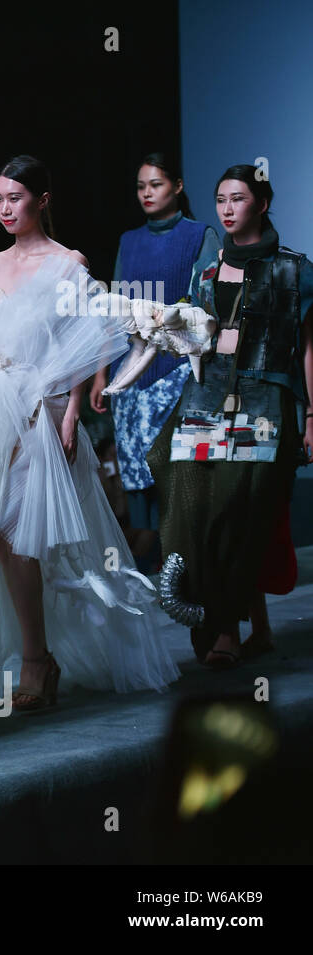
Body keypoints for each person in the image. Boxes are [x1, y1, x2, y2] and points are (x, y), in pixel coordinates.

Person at [0, 156, 179, 709]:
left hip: (42, 406)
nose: (5, 209)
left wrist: (74, 409)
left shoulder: (68, 263)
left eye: (16, 198)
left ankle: (37, 658)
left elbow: (87, 339)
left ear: (42, 200)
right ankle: (38, 655)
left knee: (23, 530)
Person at [148, 164, 313, 667]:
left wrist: (312, 415)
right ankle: (227, 620)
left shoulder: (295, 269)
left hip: (264, 402)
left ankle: (224, 628)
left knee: (238, 509)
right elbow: (196, 337)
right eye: (220, 199)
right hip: (206, 397)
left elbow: (308, 347)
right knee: (185, 488)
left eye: (237, 198)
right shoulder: (207, 272)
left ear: (262, 204)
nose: (226, 208)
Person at [91, 153, 221, 574]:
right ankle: (160, 575)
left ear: (178, 187)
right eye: (141, 186)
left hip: (181, 369)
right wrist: (101, 374)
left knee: (180, 473)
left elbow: (207, 308)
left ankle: (184, 571)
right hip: (131, 372)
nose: (147, 193)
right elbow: (115, 314)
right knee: (140, 477)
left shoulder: (200, 235)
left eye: (156, 184)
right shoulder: (129, 240)